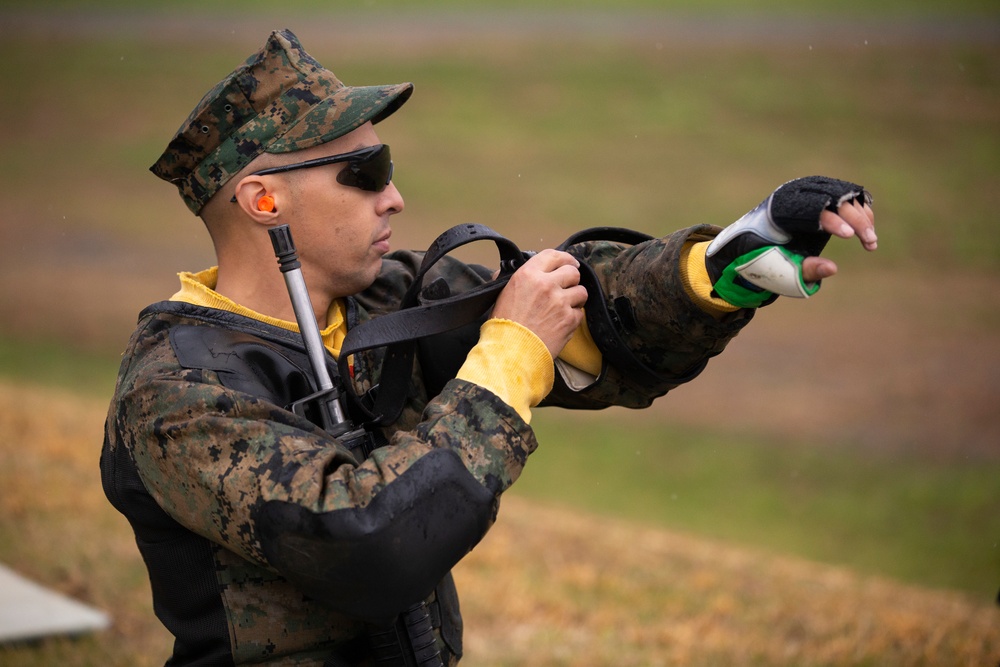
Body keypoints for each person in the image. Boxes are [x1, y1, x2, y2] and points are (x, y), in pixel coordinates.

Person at [101, 28, 876, 666]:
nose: (394, 195)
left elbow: (590, 315)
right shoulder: (178, 391)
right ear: (263, 200)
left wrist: (730, 258)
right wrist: (507, 356)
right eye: (364, 172)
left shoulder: (383, 297)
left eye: (388, 167)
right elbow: (369, 546)